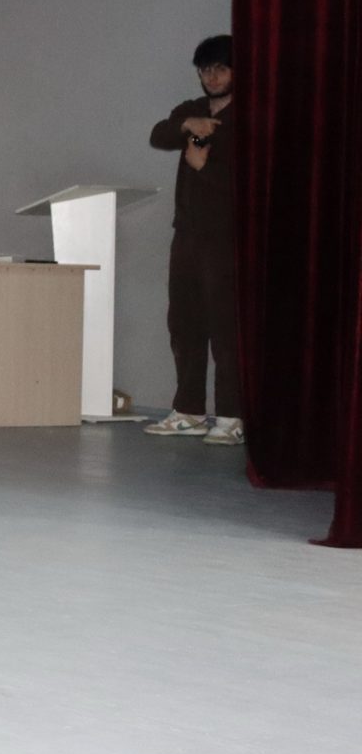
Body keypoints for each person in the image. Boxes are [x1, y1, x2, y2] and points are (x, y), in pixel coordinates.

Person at [144, 34, 242, 445]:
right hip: (187, 235)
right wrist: (190, 126)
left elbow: (249, 184)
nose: (212, 77)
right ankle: (189, 410)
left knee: (226, 328)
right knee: (184, 323)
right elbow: (159, 135)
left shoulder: (249, 115)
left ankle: (232, 417)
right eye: (205, 70)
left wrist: (204, 166)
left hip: (228, 237)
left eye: (220, 68)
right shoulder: (192, 109)